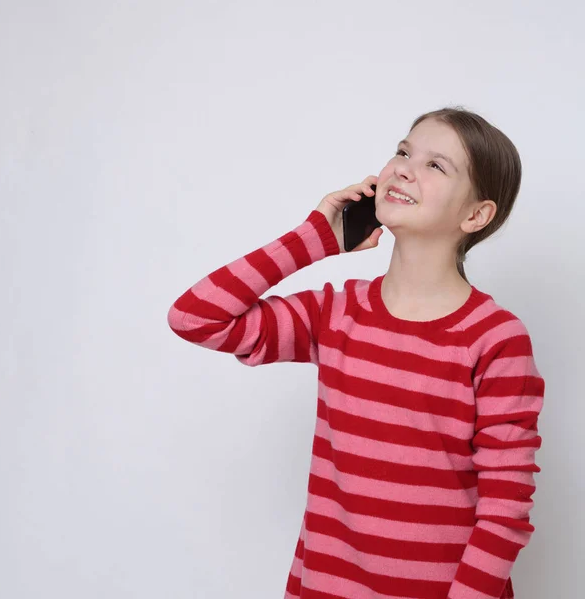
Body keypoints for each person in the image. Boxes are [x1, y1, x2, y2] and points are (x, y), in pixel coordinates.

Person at [167, 107, 545, 599]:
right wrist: (314, 240)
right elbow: (196, 317)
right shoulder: (336, 314)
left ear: (475, 215)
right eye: (404, 151)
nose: (405, 167)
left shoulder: (495, 339)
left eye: (437, 165)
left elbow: (505, 509)